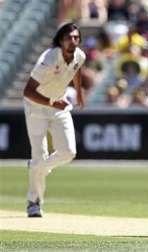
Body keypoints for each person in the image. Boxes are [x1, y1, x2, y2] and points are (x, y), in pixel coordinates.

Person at [23, 23, 86, 217]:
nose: (73, 41)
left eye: (76, 37)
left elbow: (77, 70)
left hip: (59, 106)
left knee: (68, 152)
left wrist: (80, 94)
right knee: (39, 155)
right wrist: (51, 102)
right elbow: (28, 91)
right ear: (60, 40)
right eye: (69, 38)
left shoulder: (80, 55)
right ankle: (34, 203)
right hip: (37, 108)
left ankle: (38, 166)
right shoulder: (49, 57)